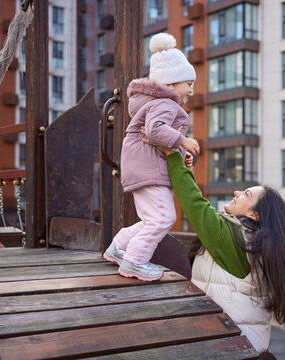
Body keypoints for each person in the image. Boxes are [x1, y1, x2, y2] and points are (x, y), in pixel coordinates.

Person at [141, 137, 285, 354]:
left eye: (246, 194)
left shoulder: (236, 239)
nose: (237, 192)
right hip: (242, 344)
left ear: (253, 214)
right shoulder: (255, 245)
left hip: (231, 346)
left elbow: (195, 204)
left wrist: (172, 155)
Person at [102, 33, 200, 282]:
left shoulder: (158, 103)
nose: (191, 89)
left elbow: (158, 136)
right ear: (171, 83)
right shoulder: (166, 103)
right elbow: (156, 131)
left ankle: (119, 247)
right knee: (163, 217)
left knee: (151, 218)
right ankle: (134, 261)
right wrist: (183, 141)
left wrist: (180, 154)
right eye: (188, 83)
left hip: (144, 166)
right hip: (149, 169)